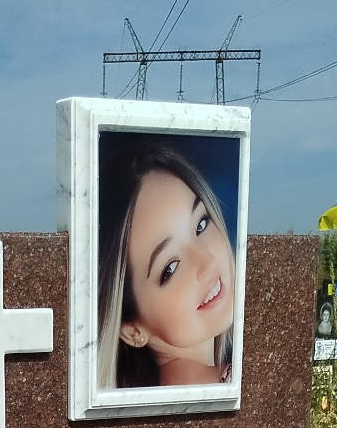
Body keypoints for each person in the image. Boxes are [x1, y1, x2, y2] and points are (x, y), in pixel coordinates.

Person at [96, 143, 237, 390]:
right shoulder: (230, 384)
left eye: (201, 225)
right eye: (170, 268)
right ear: (131, 329)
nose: (205, 262)